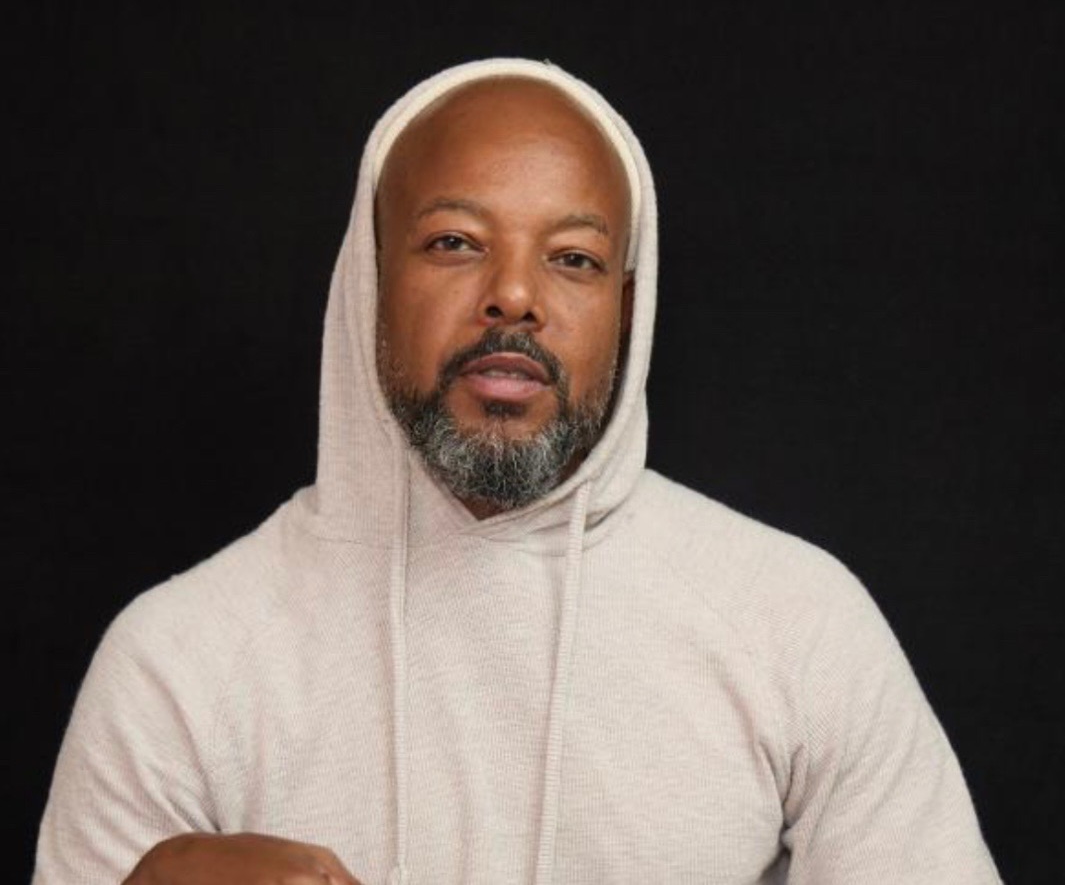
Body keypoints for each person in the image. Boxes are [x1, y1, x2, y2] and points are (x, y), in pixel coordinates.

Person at [33, 58, 1002, 885]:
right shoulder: (178, 662)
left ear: (628, 305)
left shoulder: (797, 623)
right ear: (370, 275)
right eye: (455, 243)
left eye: (573, 258)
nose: (512, 295)